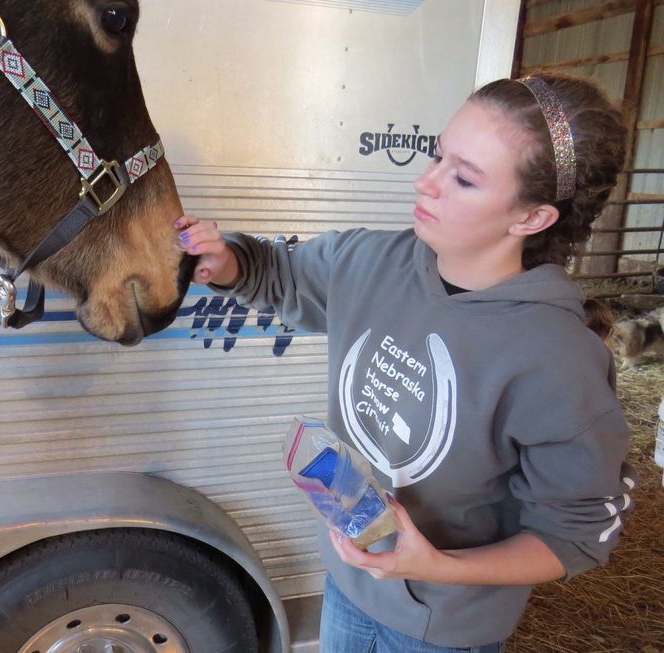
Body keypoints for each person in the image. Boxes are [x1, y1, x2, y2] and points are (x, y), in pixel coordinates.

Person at [174, 72, 636, 652]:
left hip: (443, 628)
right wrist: (228, 259)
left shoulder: (557, 359)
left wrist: (438, 566)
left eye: (463, 178)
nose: (426, 183)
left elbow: (574, 535)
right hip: (348, 582)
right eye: (439, 157)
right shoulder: (373, 260)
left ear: (531, 218)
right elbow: (278, 271)